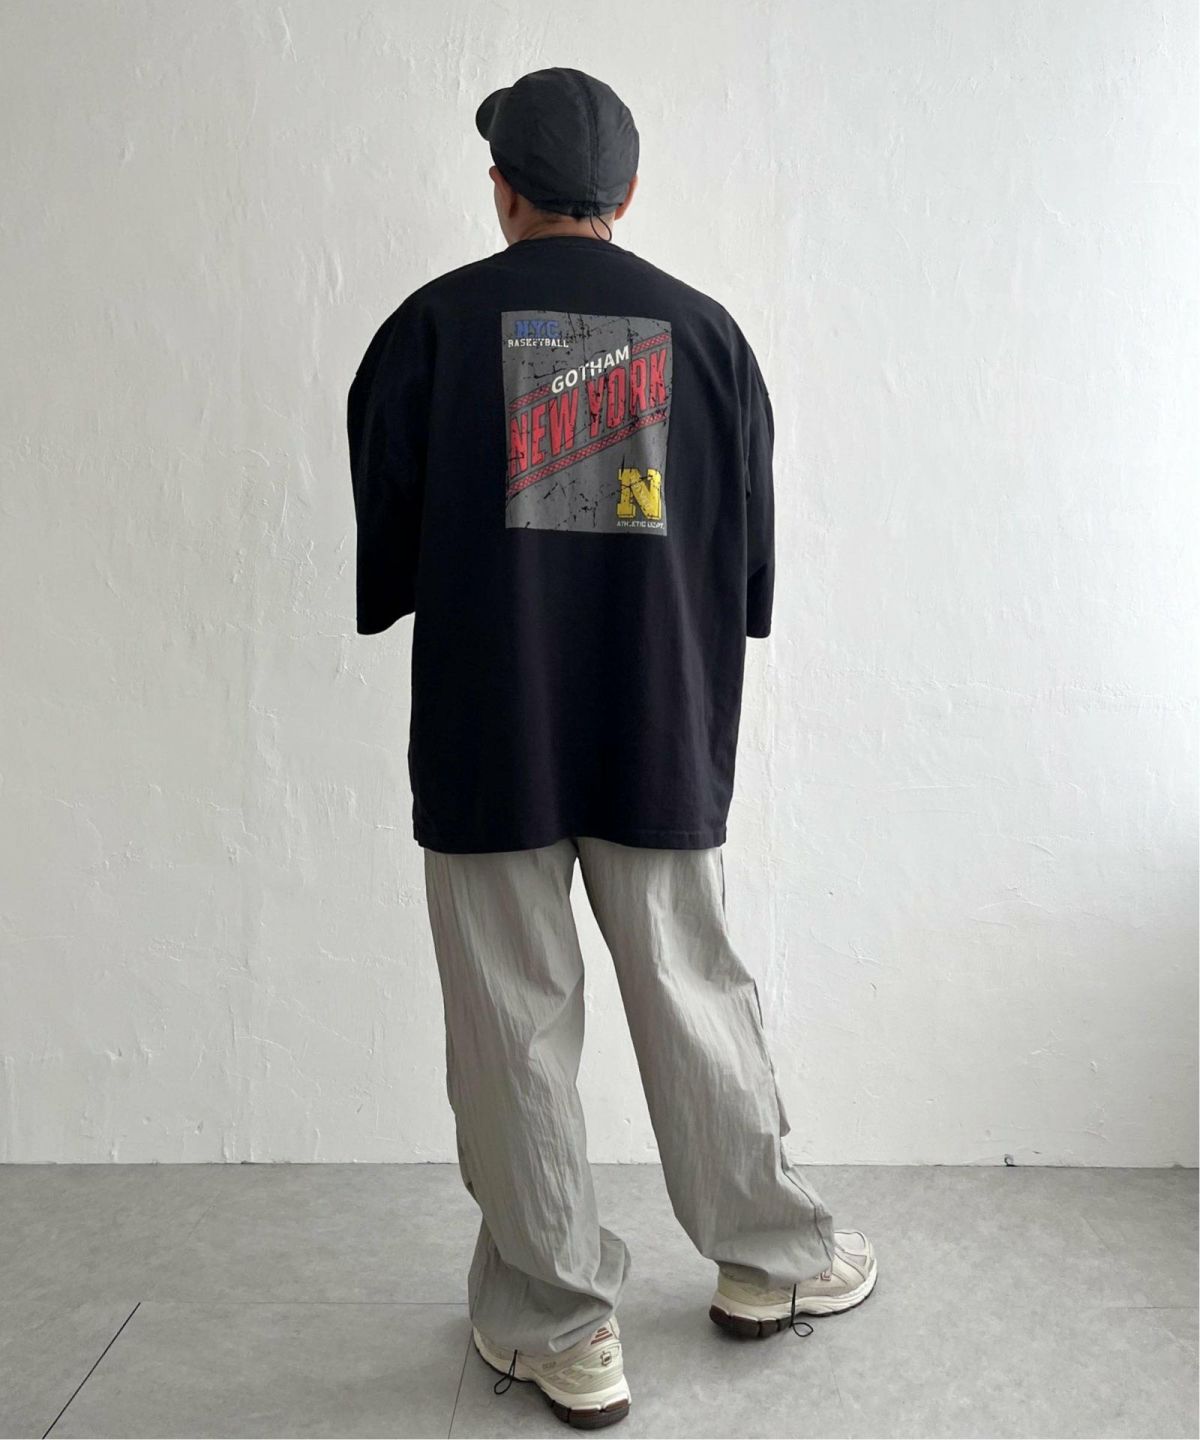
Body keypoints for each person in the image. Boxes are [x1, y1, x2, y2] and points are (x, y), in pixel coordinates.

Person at [347, 66, 877, 1431]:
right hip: (656, 717)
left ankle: (559, 1325)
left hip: (490, 728)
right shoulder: (709, 335)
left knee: (511, 1024)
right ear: (626, 193)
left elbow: (389, 536)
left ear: (504, 191)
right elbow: (749, 555)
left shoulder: (430, 328)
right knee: (694, 989)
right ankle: (776, 1259)